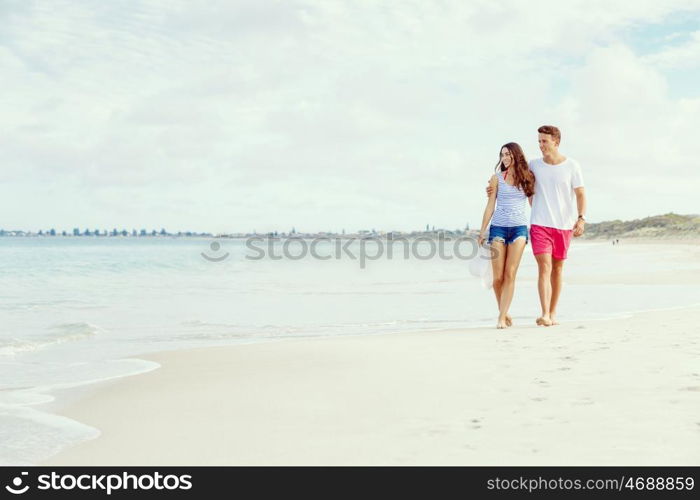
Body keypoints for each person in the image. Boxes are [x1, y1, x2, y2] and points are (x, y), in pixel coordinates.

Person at [489, 126, 587, 326]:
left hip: (564, 225)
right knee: (544, 266)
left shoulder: (572, 166)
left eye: (544, 141)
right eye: (539, 141)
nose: (541, 145)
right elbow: (513, 175)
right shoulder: (533, 165)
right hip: (539, 224)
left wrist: (581, 218)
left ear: (556, 142)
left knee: (557, 270)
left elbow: (580, 194)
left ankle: (552, 312)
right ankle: (544, 314)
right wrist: (492, 187)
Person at [478, 143, 535, 329]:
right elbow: (490, 206)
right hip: (498, 228)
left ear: (516, 155)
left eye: (508, 154)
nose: (505, 157)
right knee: (497, 278)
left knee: (510, 273)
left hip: (519, 228)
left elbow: (535, 203)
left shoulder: (527, 177)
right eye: (502, 154)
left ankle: (501, 317)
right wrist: (482, 230)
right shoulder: (496, 179)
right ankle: (504, 311)